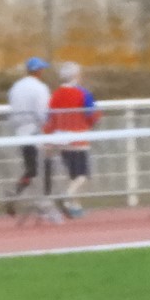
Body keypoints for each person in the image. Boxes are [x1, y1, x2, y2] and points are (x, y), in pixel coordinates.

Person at [44, 61, 100, 219]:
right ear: (76, 76)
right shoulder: (82, 93)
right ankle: (67, 196)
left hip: (61, 140)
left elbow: (50, 118)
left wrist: (49, 137)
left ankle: (74, 206)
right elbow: (93, 115)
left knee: (73, 175)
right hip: (79, 139)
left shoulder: (55, 94)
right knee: (83, 175)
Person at [4, 58, 52, 214]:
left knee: (32, 168)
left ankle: (16, 192)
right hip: (34, 131)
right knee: (44, 165)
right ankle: (44, 200)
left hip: (20, 131)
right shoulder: (40, 87)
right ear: (38, 70)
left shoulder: (16, 86)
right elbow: (42, 112)